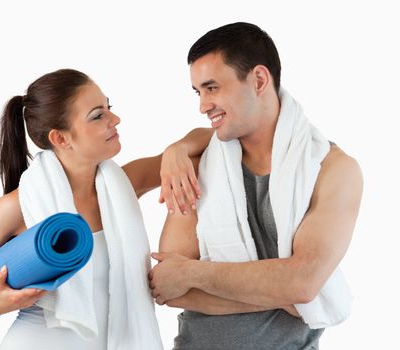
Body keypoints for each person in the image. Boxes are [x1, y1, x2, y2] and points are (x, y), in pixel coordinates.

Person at [0, 68, 211, 349]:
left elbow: (210, 140)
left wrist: (177, 149)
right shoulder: (18, 207)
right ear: (61, 139)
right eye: (98, 115)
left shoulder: (125, 185)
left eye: (109, 108)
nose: (115, 119)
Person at [149, 22, 363, 349]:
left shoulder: (332, 170)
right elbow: (169, 286)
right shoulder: (194, 166)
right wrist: (288, 296)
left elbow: (302, 282)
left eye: (212, 87)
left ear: (259, 80)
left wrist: (193, 273)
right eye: (198, 92)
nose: (203, 105)